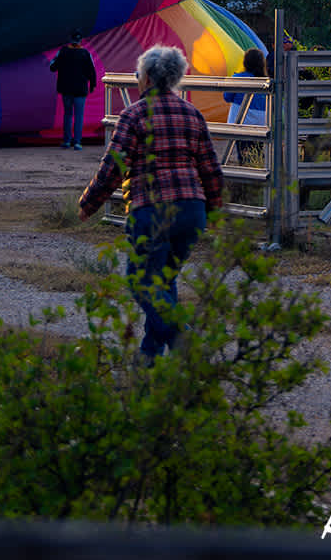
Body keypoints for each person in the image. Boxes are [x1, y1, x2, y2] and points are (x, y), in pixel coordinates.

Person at [78, 45, 223, 364]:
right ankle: (149, 356)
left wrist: (88, 203)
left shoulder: (134, 115)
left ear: (145, 78)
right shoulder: (191, 113)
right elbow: (211, 167)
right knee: (163, 279)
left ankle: (183, 339)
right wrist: (213, 208)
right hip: (190, 211)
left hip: (152, 209)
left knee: (141, 280)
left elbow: (113, 167)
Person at [49, 30, 97, 149]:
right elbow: (92, 71)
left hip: (66, 88)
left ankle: (66, 141)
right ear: (80, 41)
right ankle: (77, 142)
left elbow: (52, 67)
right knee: (79, 116)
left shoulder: (63, 51)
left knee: (68, 115)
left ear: (70, 40)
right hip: (80, 89)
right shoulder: (85, 53)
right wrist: (92, 85)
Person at [224, 47, 268, 125]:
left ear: (245, 62)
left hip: (240, 120)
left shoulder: (238, 78)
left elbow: (227, 97)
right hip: (262, 123)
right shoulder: (267, 82)